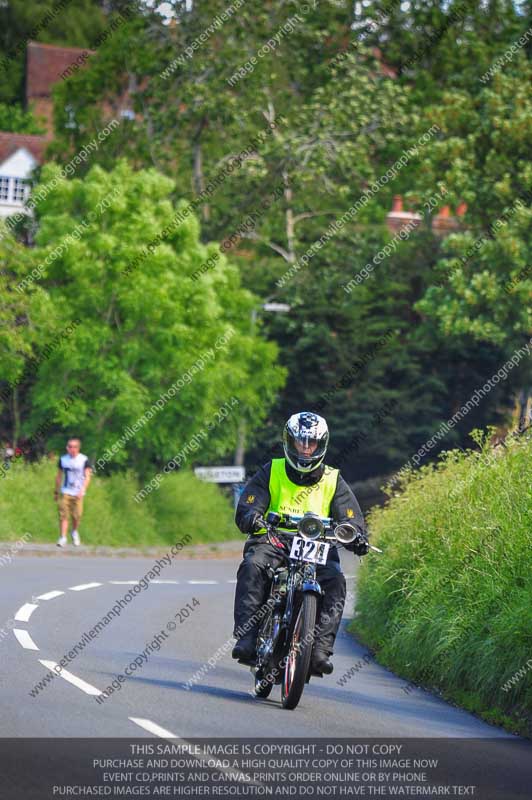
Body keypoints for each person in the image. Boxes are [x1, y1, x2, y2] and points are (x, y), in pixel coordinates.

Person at [232, 411, 369, 676]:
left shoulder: (333, 479)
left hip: (318, 546)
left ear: (322, 444)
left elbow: (351, 519)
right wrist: (253, 517)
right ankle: (247, 638)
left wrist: (357, 536)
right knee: (252, 565)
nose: (306, 449)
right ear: (289, 441)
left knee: (336, 582)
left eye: (312, 443)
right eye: (300, 442)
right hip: (274, 539)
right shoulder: (272, 471)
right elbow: (248, 505)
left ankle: (319, 651)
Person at [54, 437, 92, 547]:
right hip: (65, 491)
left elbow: (87, 476)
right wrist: (56, 491)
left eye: (74, 447)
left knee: (77, 515)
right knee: (63, 515)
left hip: (78, 492)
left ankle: (74, 531)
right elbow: (59, 476)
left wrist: (83, 489)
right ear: (67, 448)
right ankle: (63, 537)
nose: (72, 449)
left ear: (79, 448)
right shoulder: (63, 460)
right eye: (70, 447)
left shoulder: (84, 459)